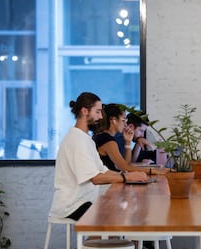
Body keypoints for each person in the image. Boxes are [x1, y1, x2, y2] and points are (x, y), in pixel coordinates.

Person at [49, 92, 149, 221]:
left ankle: (129, 240)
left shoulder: (86, 139)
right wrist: (127, 176)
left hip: (84, 200)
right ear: (84, 111)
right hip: (72, 205)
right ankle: (124, 240)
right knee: (120, 210)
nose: (101, 116)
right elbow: (95, 178)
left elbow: (103, 170)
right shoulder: (76, 140)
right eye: (97, 112)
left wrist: (130, 177)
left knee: (125, 207)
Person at [93, 103, 168, 175]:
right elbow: (125, 168)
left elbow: (126, 164)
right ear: (113, 120)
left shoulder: (104, 137)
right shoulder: (107, 140)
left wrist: (128, 142)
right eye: (123, 120)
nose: (126, 124)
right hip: (106, 186)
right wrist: (153, 171)